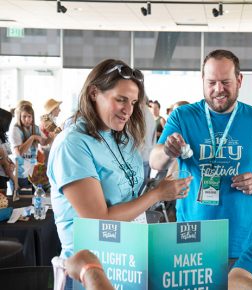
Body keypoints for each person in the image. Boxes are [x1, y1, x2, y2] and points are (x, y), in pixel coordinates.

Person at [47, 59, 192, 265]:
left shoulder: (121, 137)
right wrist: (157, 194)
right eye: (121, 99)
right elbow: (99, 220)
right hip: (89, 267)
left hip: (125, 260)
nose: (128, 110)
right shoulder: (72, 144)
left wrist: (158, 187)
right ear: (94, 93)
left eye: (133, 103)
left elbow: (128, 198)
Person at [150, 49, 252, 261]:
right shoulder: (183, 116)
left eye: (226, 82)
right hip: (191, 241)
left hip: (242, 246)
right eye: (212, 82)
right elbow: (155, 161)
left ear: (239, 80)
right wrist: (168, 150)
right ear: (203, 80)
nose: (218, 89)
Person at [10, 104, 49, 190]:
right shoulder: (15, 129)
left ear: (33, 117)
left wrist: (52, 134)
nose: (27, 119)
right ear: (19, 117)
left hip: (33, 171)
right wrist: (33, 137)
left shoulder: (35, 128)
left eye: (29, 116)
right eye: (24, 116)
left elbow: (45, 143)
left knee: (33, 199)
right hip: (20, 172)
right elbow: (19, 152)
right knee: (21, 201)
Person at [0, 108, 18, 194]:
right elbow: (3, 162)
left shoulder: (2, 137)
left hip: (3, 177)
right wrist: (15, 181)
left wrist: (10, 163)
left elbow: (5, 158)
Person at [39, 98, 62, 164]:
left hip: (48, 150)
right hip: (47, 151)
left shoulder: (48, 120)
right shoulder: (47, 122)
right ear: (53, 109)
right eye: (58, 108)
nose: (60, 110)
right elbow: (57, 134)